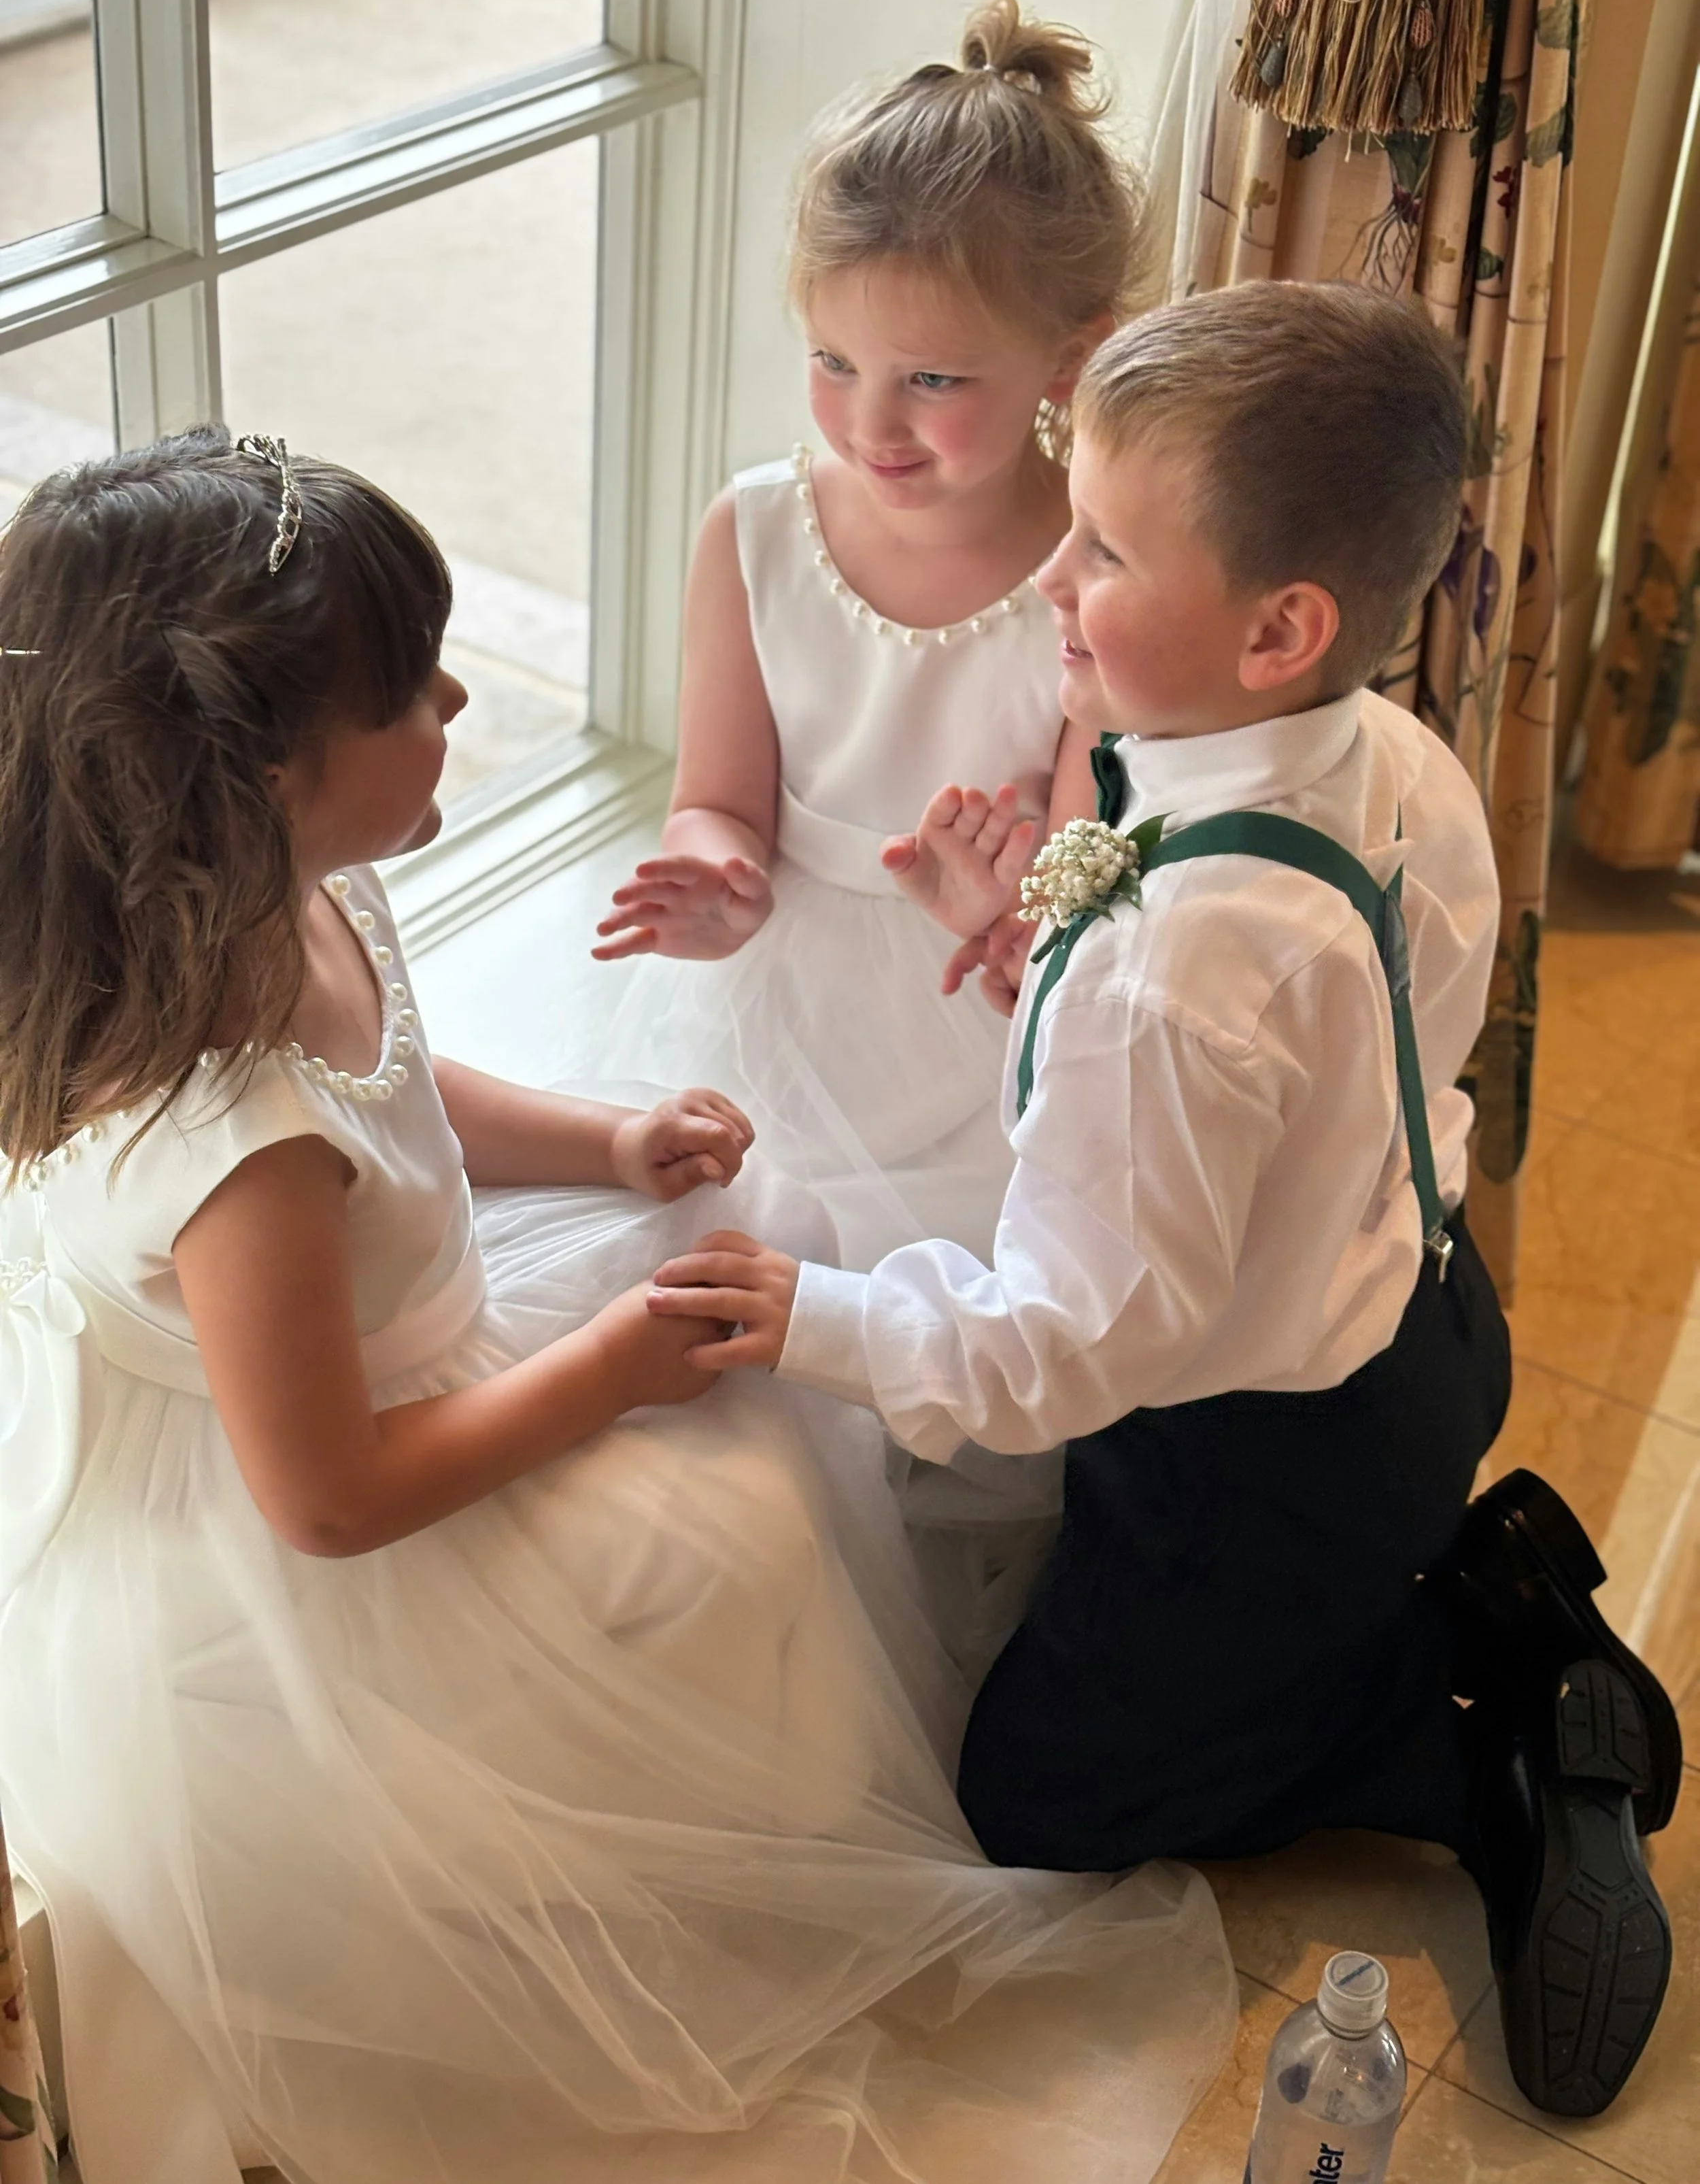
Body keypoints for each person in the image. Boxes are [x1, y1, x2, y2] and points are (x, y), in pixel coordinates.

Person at [0, 429, 1238, 2184]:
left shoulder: (300, 891)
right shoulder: (241, 1145)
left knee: (750, 1278)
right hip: (334, 1505)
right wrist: (606, 1369)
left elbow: (408, 1092)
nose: (453, 702)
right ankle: (667, 1910)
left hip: (406, 1346)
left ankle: (729, 1828)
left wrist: (605, 1139)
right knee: (728, 1531)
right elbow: (335, 1495)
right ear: (262, 765)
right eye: (407, 694)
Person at [647, 280, 1686, 2121]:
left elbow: (1059, 1349)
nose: (1050, 575)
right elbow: (1356, 1055)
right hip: (1421, 1316)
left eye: (1105, 546)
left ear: (1279, 626)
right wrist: (1016, 934)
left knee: (1032, 1803)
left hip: (1255, 1457)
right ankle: (1415, 1582)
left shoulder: (1164, 972)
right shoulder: (1398, 761)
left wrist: (811, 1315)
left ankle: (1478, 1723)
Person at [585, 0, 1144, 1274]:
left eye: (933, 380)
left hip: (967, 1012)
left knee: (935, 1310)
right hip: (775, 998)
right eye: (834, 361)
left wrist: (1008, 902)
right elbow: (718, 796)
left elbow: (1073, 854)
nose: (869, 423)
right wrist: (715, 879)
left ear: (1071, 360)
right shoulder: (755, 532)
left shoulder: (1089, 570)